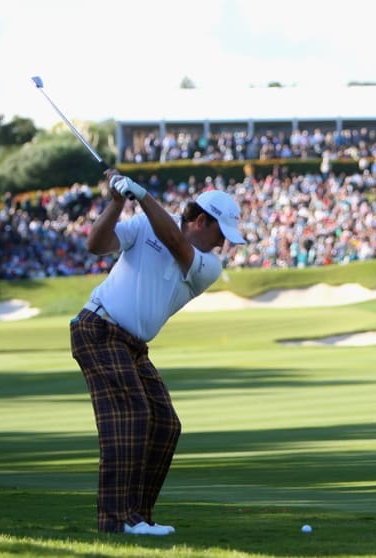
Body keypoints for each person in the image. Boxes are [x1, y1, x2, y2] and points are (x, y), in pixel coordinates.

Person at [70, 169, 245, 536]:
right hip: (98, 329)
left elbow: (176, 244)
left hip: (132, 345)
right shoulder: (142, 225)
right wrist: (118, 202)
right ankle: (117, 521)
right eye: (220, 235)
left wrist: (143, 194)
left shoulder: (208, 266)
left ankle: (139, 517)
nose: (222, 246)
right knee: (132, 413)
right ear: (200, 220)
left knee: (166, 424)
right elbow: (96, 244)